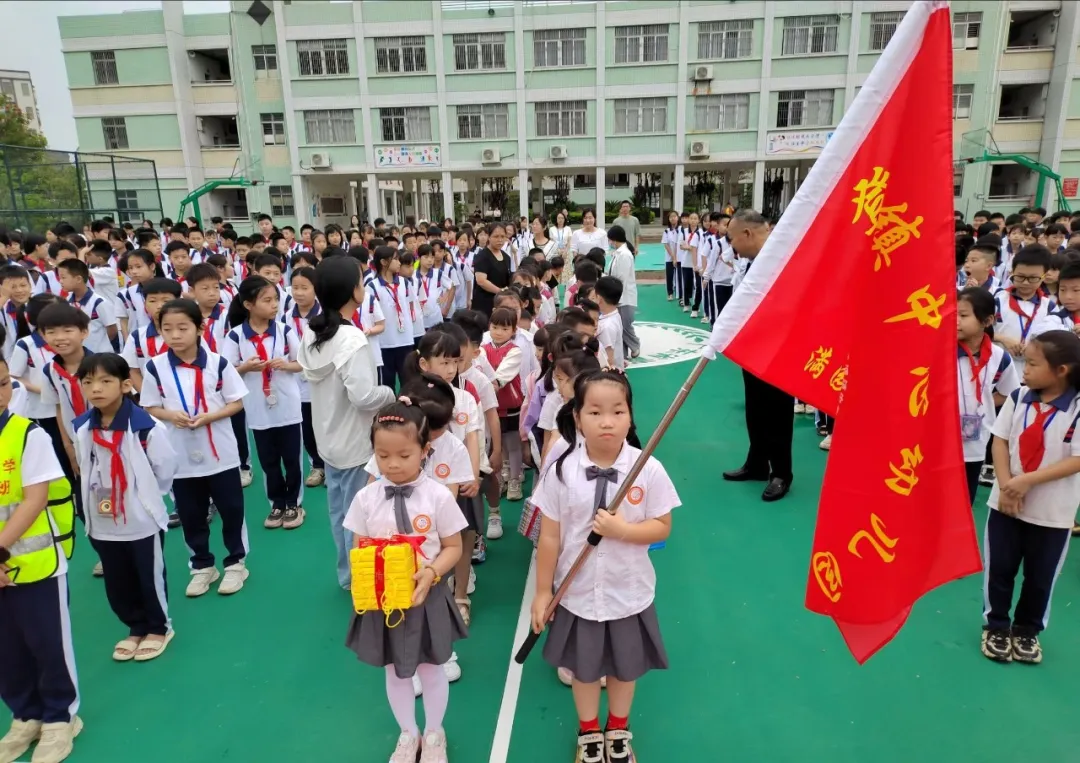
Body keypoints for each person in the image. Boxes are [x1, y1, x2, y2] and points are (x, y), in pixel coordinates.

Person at [531, 370, 677, 763]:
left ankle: (618, 729)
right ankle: (588, 732)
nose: (607, 421)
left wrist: (622, 529)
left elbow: (663, 525)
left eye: (618, 411)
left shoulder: (648, 468)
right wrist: (543, 592)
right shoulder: (560, 471)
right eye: (595, 412)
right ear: (577, 416)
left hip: (628, 592)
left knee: (625, 670)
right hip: (577, 594)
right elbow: (550, 537)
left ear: (631, 416)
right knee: (583, 670)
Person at [343, 402, 467, 763]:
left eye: (403, 454)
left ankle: (434, 733)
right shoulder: (365, 498)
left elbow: (453, 546)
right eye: (382, 455)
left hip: (425, 598)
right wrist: (364, 583)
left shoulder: (438, 495)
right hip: (383, 603)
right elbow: (359, 547)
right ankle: (407, 733)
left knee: (431, 667)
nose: (393, 464)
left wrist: (431, 573)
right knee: (394, 671)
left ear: (425, 452)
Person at [139, 299, 250, 598]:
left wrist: (211, 416)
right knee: (190, 513)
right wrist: (169, 415)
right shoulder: (155, 367)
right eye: (167, 329)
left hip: (221, 454)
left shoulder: (218, 363)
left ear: (199, 328)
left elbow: (236, 402)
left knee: (231, 509)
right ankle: (202, 565)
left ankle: (236, 562)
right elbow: (149, 405)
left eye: (182, 328)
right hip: (180, 456)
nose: (174, 335)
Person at [981, 330, 1080, 664]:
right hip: (1005, 505)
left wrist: (1025, 482)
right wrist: (1007, 484)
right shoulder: (1018, 397)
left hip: (1052, 513)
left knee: (1041, 577)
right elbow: (999, 440)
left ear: (1061, 370)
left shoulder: (1078, 408)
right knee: (1000, 569)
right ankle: (995, 625)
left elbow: (1077, 459)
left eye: (1034, 363)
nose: (1025, 369)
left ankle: (1026, 631)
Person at [0, 355, 80, 763]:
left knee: (46, 642)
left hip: (33, 564)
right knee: (7, 647)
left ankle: (59, 718)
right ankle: (25, 715)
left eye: (2, 384)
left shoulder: (27, 435)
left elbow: (34, 501)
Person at [297, 257, 394, 590]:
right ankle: (362, 579)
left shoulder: (313, 331)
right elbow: (364, 396)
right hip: (355, 441)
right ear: (353, 291)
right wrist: (390, 395)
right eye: (361, 281)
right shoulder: (351, 338)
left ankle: (348, 574)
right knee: (361, 515)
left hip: (327, 437)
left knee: (339, 513)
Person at [72, 354, 177, 661]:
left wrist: (145, 497)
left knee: (148, 575)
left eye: (105, 381)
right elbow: (85, 467)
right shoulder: (82, 427)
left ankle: (159, 628)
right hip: (103, 519)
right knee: (117, 580)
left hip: (140, 517)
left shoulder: (145, 426)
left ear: (126, 384)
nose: (96, 389)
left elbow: (166, 465)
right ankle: (135, 627)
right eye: (88, 382)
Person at [722, 209, 794, 501]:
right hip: (752, 349)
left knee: (777, 412)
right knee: (755, 408)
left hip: (778, 351)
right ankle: (757, 463)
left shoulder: (783, 258)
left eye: (732, 239)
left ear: (748, 234)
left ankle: (781, 472)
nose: (731, 247)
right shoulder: (754, 262)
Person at [223, 277, 306, 531]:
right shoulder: (236, 335)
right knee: (268, 461)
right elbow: (225, 372)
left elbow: (302, 363)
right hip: (258, 408)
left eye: (276, 300)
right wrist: (246, 367)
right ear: (248, 304)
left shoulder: (284, 330)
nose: (274, 305)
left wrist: (285, 364)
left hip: (289, 406)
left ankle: (294, 502)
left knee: (292, 458)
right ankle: (277, 503)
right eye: (267, 300)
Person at [957, 288, 1019, 505]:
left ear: (987, 320)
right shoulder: (941, 352)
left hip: (974, 444)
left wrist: (983, 406)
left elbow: (1008, 392)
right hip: (936, 443)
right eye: (952, 314)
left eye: (963, 316)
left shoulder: (999, 357)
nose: (955, 321)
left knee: (963, 502)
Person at [283, 267, 325, 488]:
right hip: (297, 380)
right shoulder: (285, 317)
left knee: (327, 423)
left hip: (324, 378)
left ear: (315, 289)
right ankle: (317, 465)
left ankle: (331, 464)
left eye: (304, 288)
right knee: (307, 427)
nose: (298, 293)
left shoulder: (327, 315)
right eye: (295, 287)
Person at [993, 245, 1052, 373]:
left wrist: (1034, 348)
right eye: (1020, 276)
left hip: (1035, 371)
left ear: (1044, 276)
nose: (1025, 282)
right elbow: (979, 331)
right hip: (998, 368)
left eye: (1033, 278)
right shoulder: (997, 299)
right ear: (1012, 272)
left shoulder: (1049, 307)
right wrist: (1002, 339)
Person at [57, 259, 118, 354]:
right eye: (59, 278)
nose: (60, 281)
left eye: (63, 277)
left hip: (99, 355)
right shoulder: (66, 301)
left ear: (78, 279)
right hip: (78, 354)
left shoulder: (99, 302)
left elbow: (112, 329)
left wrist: (99, 344)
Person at [604, 226, 639, 361]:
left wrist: (612, 293)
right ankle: (622, 353)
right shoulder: (618, 253)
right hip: (618, 295)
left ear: (614, 239)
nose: (609, 243)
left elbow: (621, 279)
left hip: (624, 296)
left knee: (624, 325)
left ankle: (635, 345)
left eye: (610, 240)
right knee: (620, 326)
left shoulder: (624, 254)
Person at [471, 224, 512, 317]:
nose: (500, 240)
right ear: (488, 237)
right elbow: (481, 281)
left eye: (502, 236)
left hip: (502, 302)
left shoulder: (506, 257)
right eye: (496, 236)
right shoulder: (482, 256)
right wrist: (500, 291)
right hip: (484, 303)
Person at [594, 276, 625, 371]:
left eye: (594, 296)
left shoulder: (607, 326)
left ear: (599, 299)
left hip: (609, 375)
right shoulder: (614, 315)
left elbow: (608, 358)